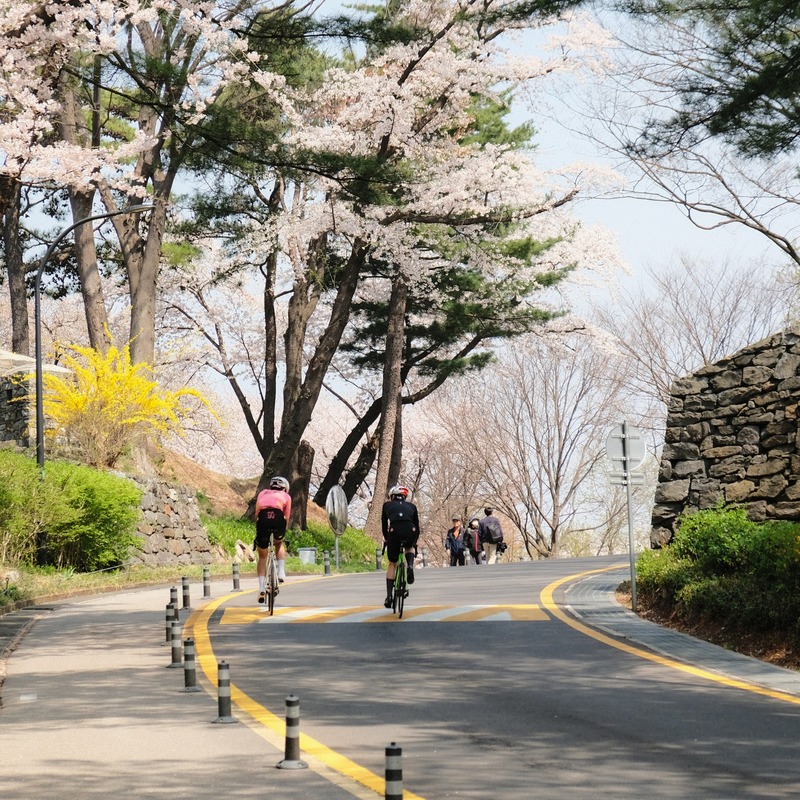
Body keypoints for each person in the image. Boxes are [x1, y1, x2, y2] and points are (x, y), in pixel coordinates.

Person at [381, 484, 420, 608]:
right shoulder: (412, 506)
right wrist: (414, 542)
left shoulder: (387, 505)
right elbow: (417, 527)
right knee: (410, 547)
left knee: (392, 562)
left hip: (394, 530)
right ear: (404, 496)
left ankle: (389, 597)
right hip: (411, 530)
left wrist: (387, 539)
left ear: (393, 495)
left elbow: (383, 525)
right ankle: (409, 566)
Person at [254, 476, 292, 603]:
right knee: (279, 543)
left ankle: (261, 588)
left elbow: (257, 513)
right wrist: (281, 533)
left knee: (263, 556)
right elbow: (286, 517)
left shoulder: (262, 493)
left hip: (263, 519)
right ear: (285, 488)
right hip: (278, 517)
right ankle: (281, 572)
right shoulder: (286, 496)